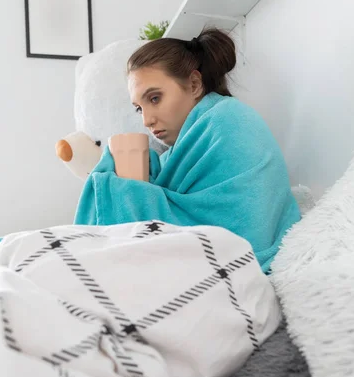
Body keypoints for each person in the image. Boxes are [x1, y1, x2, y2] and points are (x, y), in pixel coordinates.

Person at [74, 27, 301, 273]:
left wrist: (121, 192)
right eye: (139, 108)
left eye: (154, 98)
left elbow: (232, 232)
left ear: (194, 84)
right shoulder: (185, 145)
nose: (146, 120)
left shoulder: (229, 121)